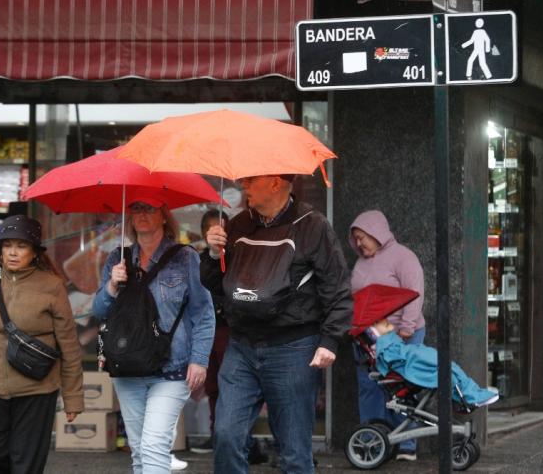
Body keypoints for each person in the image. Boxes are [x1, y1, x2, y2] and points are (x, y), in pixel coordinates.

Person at [201, 174, 352, 474]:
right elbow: (216, 284)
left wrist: (330, 340)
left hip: (293, 349)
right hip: (241, 346)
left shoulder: (313, 225)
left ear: (274, 183)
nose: (243, 186)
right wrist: (211, 253)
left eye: (251, 180)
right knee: (226, 436)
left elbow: (337, 287)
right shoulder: (238, 224)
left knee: (294, 452)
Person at [92, 197, 215, 474]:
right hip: (128, 366)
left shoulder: (186, 257)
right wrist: (113, 283)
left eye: (150, 208)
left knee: (153, 446)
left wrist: (200, 359)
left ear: (163, 216)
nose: (142, 214)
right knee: (139, 451)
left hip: (171, 368)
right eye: (136, 208)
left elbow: (203, 313)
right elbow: (99, 310)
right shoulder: (117, 258)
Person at [0, 214, 84, 474]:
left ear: (35, 252)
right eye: (7, 245)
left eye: (21, 246)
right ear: (1, 250)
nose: (13, 252)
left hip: (37, 390)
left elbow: (69, 346)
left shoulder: (52, 286)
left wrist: (72, 398)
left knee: (25, 464)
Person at [191, 209, 268, 465]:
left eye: (223, 228)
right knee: (212, 388)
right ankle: (219, 438)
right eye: (213, 229)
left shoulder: (238, 256)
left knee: (233, 389)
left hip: (229, 330)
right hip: (207, 332)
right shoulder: (202, 260)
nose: (220, 234)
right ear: (205, 233)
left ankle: (244, 442)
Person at [349, 209, 425, 461]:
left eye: (362, 237)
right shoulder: (361, 262)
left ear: (377, 232)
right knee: (369, 386)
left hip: (400, 330)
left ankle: (406, 444)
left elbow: (415, 292)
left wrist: (407, 326)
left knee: (401, 387)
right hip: (370, 332)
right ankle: (372, 440)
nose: (359, 243)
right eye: (356, 239)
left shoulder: (403, 257)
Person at [359, 317, 499, 407]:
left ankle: (472, 392)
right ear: (372, 333)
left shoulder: (389, 342)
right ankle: (470, 395)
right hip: (414, 361)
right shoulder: (385, 345)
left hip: (416, 356)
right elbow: (398, 359)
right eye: (376, 322)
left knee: (449, 367)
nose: (383, 319)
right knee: (447, 368)